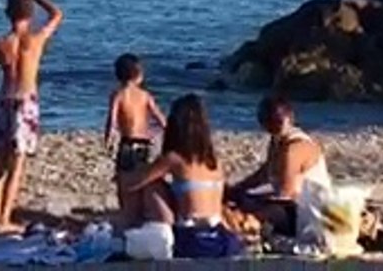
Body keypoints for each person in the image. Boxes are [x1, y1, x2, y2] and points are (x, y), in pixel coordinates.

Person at [0, 0, 64, 234]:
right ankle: (4, 218)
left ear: (8, 14)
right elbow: (57, 14)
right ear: (30, 14)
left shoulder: (1, 42)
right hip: (25, 103)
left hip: (3, 101)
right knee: (16, 166)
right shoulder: (36, 39)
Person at [125, 94, 241, 258]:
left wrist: (133, 168)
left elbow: (132, 183)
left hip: (191, 238)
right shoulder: (214, 162)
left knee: (152, 184)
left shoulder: (174, 159)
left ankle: (129, 228)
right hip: (221, 238)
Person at [227, 95, 331, 237]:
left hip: (307, 213)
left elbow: (287, 193)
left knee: (251, 211)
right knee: (240, 199)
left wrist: (253, 199)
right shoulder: (278, 141)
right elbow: (265, 174)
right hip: (293, 206)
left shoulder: (294, 148)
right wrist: (238, 189)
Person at [104, 53, 167, 228]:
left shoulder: (118, 94)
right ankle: (141, 209)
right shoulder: (145, 95)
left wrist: (108, 138)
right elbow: (160, 118)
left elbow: (112, 120)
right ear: (139, 75)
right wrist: (168, 132)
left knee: (124, 178)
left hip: (128, 143)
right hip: (145, 143)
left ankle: (126, 210)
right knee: (143, 176)